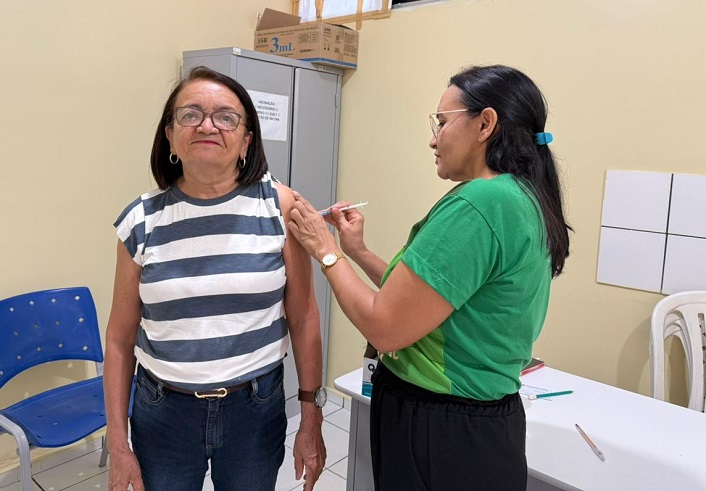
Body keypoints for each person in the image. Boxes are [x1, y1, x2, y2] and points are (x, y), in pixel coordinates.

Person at [287, 64, 571, 490]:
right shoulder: (519, 196)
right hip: (477, 426)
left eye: (442, 122)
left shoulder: (482, 202)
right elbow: (423, 301)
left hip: (442, 428)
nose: (433, 139)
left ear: (485, 124)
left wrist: (324, 250)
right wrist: (357, 252)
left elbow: (385, 326)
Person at [103, 66, 326, 491]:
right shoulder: (140, 221)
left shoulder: (281, 207)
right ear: (170, 137)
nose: (207, 126)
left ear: (246, 141)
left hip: (255, 409)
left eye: (226, 117)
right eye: (190, 114)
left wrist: (311, 414)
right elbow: (118, 339)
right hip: (163, 413)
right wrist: (118, 441)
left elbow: (304, 318)